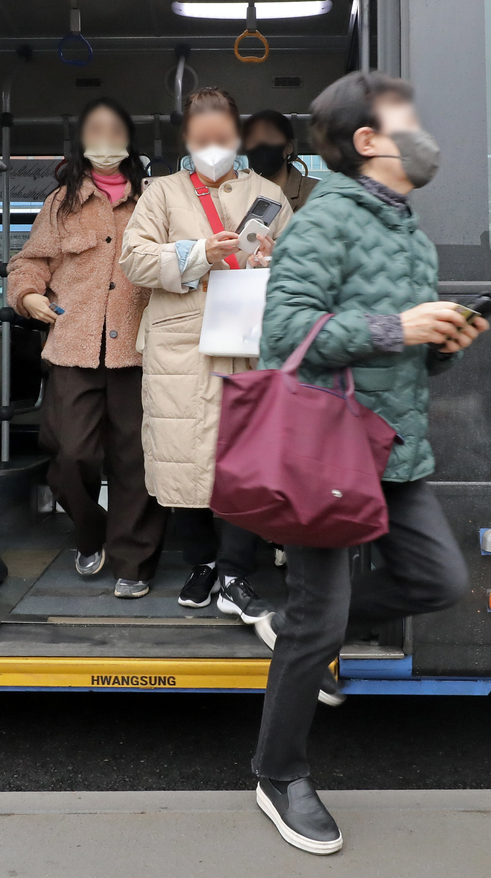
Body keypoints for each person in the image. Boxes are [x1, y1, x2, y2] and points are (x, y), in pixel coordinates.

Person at [251, 71, 489, 854]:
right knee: (321, 621)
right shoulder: (323, 224)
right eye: (408, 122)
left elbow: (411, 358)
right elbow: (283, 333)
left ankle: (296, 630)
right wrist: (395, 327)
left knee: (439, 581)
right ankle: (278, 774)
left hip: (399, 451)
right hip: (330, 450)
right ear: (367, 142)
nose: (425, 135)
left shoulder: (414, 236)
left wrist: (440, 344)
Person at [120, 88, 292, 623]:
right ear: (187, 139)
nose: (212, 145)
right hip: (182, 345)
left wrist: (267, 264)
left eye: (222, 135)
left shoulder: (269, 195)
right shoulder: (161, 193)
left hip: (246, 338)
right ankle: (202, 563)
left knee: (240, 458)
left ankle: (236, 572)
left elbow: (296, 273)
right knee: (182, 456)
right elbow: (133, 260)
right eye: (202, 136)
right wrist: (197, 253)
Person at [7, 97, 168, 599]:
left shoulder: (154, 198)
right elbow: (30, 262)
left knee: (134, 460)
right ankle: (90, 529)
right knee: (70, 455)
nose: (104, 139)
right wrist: (28, 295)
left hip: (139, 349)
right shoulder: (62, 203)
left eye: (113, 129)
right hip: (73, 345)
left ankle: (133, 563)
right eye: (94, 130)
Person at [242, 109, 319, 211]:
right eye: (253, 140)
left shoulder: (315, 193)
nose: (261, 146)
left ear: (289, 147)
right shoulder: (240, 193)